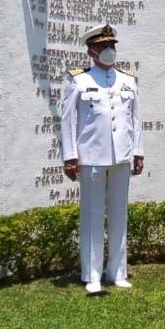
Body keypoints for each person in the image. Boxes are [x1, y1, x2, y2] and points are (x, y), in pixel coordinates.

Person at [60, 24, 144, 294]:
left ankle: (118, 271)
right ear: (91, 51)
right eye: (104, 47)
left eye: (113, 46)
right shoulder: (78, 80)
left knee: (119, 214)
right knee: (93, 215)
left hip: (121, 156)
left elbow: (136, 120)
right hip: (92, 156)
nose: (110, 51)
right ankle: (93, 274)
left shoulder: (127, 80)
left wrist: (138, 152)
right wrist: (70, 156)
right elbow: (68, 121)